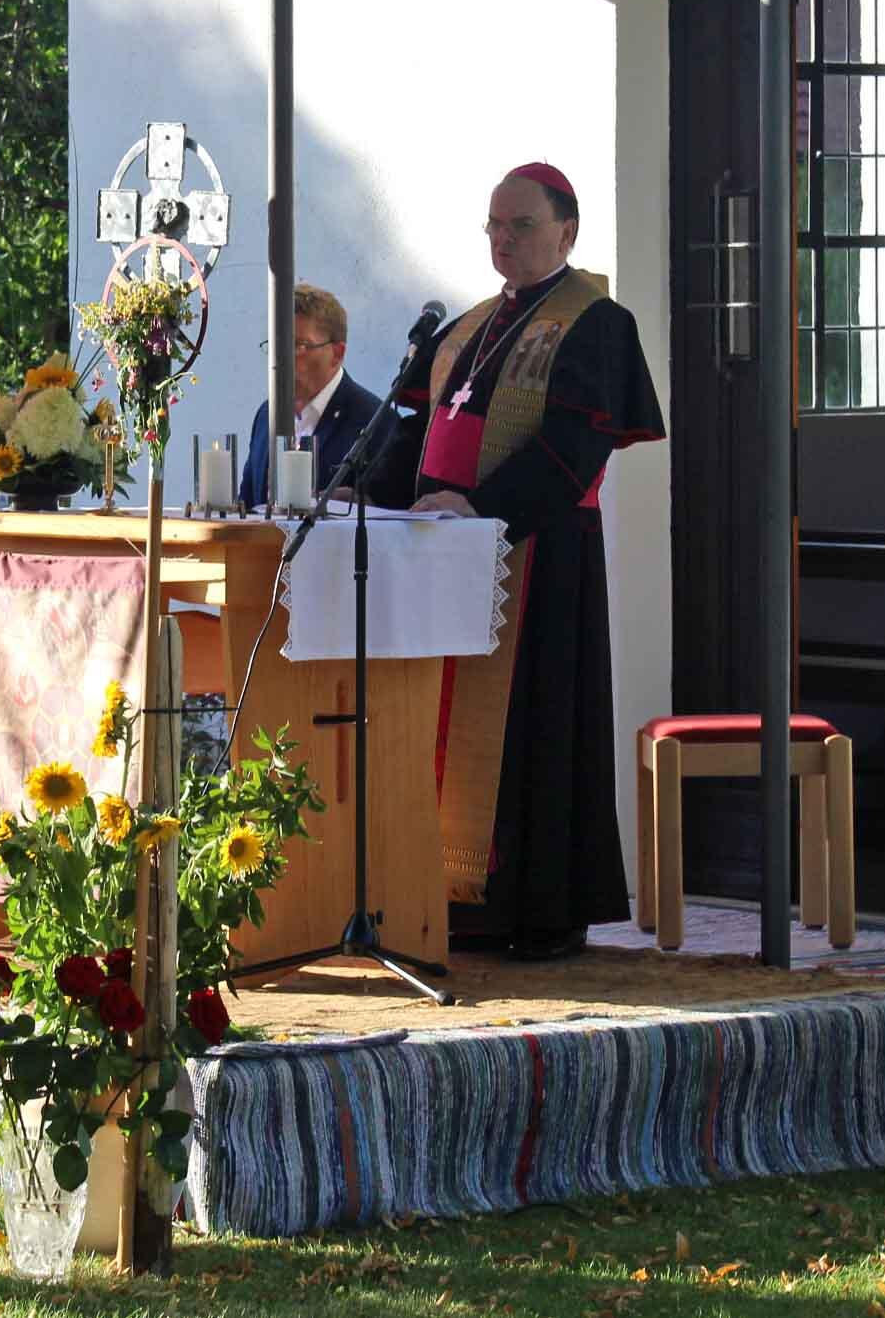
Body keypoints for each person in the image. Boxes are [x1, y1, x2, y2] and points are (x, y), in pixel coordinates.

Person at [349, 162, 664, 960]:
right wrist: (357, 494)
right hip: (440, 562)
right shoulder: (465, 326)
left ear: (567, 231)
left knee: (536, 734)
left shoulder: (597, 323)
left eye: (520, 226)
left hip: (538, 560)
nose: (502, 239)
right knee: (441, 731)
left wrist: (482, 510)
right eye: (493, 225)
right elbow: (414, 431)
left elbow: (574, 445)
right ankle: (446, 903)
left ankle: (536, 911)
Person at [237, 283, 390, 508]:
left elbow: (389, 513)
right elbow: (248, 504)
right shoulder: (266, 414)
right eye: (277, 345)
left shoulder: (374, 421)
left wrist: (356, 504)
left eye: (298, 345)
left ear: (337, 354)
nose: (281, 359)